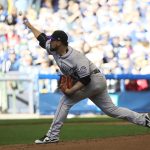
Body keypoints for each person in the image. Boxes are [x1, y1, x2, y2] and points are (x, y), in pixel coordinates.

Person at [23, 17, 150, 144]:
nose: (50, 42)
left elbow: (85, 79)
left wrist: (71, 91)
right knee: (112, 110)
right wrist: (29, 25)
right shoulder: (53, 48)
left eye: (53, 40)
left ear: (59, 42)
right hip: (93, 82)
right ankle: (144, 119)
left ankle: (52, 135)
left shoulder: (76, 57)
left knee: (65, 102)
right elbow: (41, 38)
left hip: (93, 80)